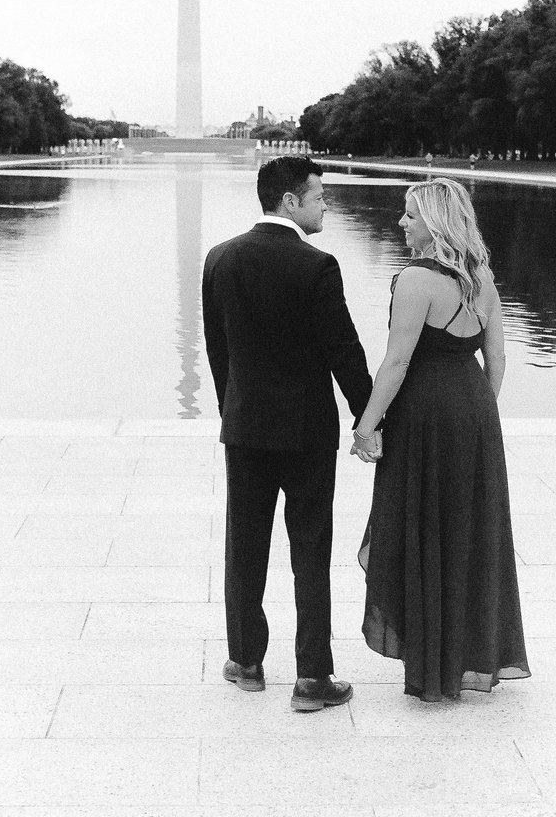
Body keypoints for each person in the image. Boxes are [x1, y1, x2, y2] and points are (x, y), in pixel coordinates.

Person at [202, 155, 372, 712]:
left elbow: (219, 353)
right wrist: (368, 419)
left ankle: (247, 662)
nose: (326, 206)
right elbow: (343, 353)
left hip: (245, 429)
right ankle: (310, 679)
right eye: (320, 196)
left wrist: (237, 409)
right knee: (310, 553)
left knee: (244, 548)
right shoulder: (317, 266)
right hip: (306, 434)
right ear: (291, 202)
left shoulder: (219, 260)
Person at [352, 177, 530, 701]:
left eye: (409, 215)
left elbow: (398, 361)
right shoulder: (483, 277)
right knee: (467, 530)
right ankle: (468, 654)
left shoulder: (414, 280)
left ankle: (431, 660)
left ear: (434, 222)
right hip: (474, 414)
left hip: (423, 418)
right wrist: (477, 416)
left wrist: (366, 424)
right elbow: (496, 359)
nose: (402, 223)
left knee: (422, 526)